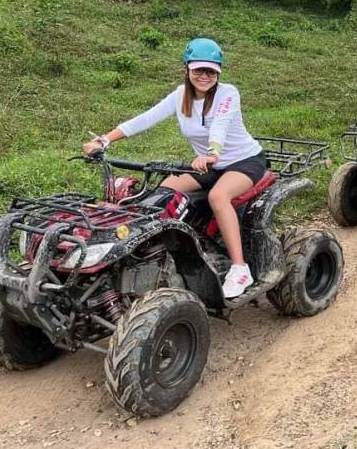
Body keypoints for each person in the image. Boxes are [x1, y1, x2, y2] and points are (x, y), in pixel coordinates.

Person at [82, 38, 265, 299]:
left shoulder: (228, 93)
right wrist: (104, 139)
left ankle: (239, 268)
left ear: (219, 72)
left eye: (211, 71)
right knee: (162, 193)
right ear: (187, 68)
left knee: (218, 196)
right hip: (207, 163)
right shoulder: (180, 96)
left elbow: (220, 125)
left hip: (243, 161)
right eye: (199, 70)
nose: (205, 76)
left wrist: (212, 152)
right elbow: (146, 119)